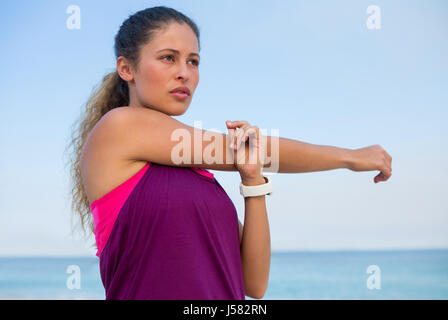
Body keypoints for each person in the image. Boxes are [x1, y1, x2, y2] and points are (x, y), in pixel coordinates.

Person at [66, 6, 392, 300]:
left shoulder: (199, 176)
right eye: (168, 58)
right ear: (127, 68)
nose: (185, 72)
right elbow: (260, 149)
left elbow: (254, 284)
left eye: (193, 61)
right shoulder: (119, 128)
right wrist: (350, 157)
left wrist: (253, 182)